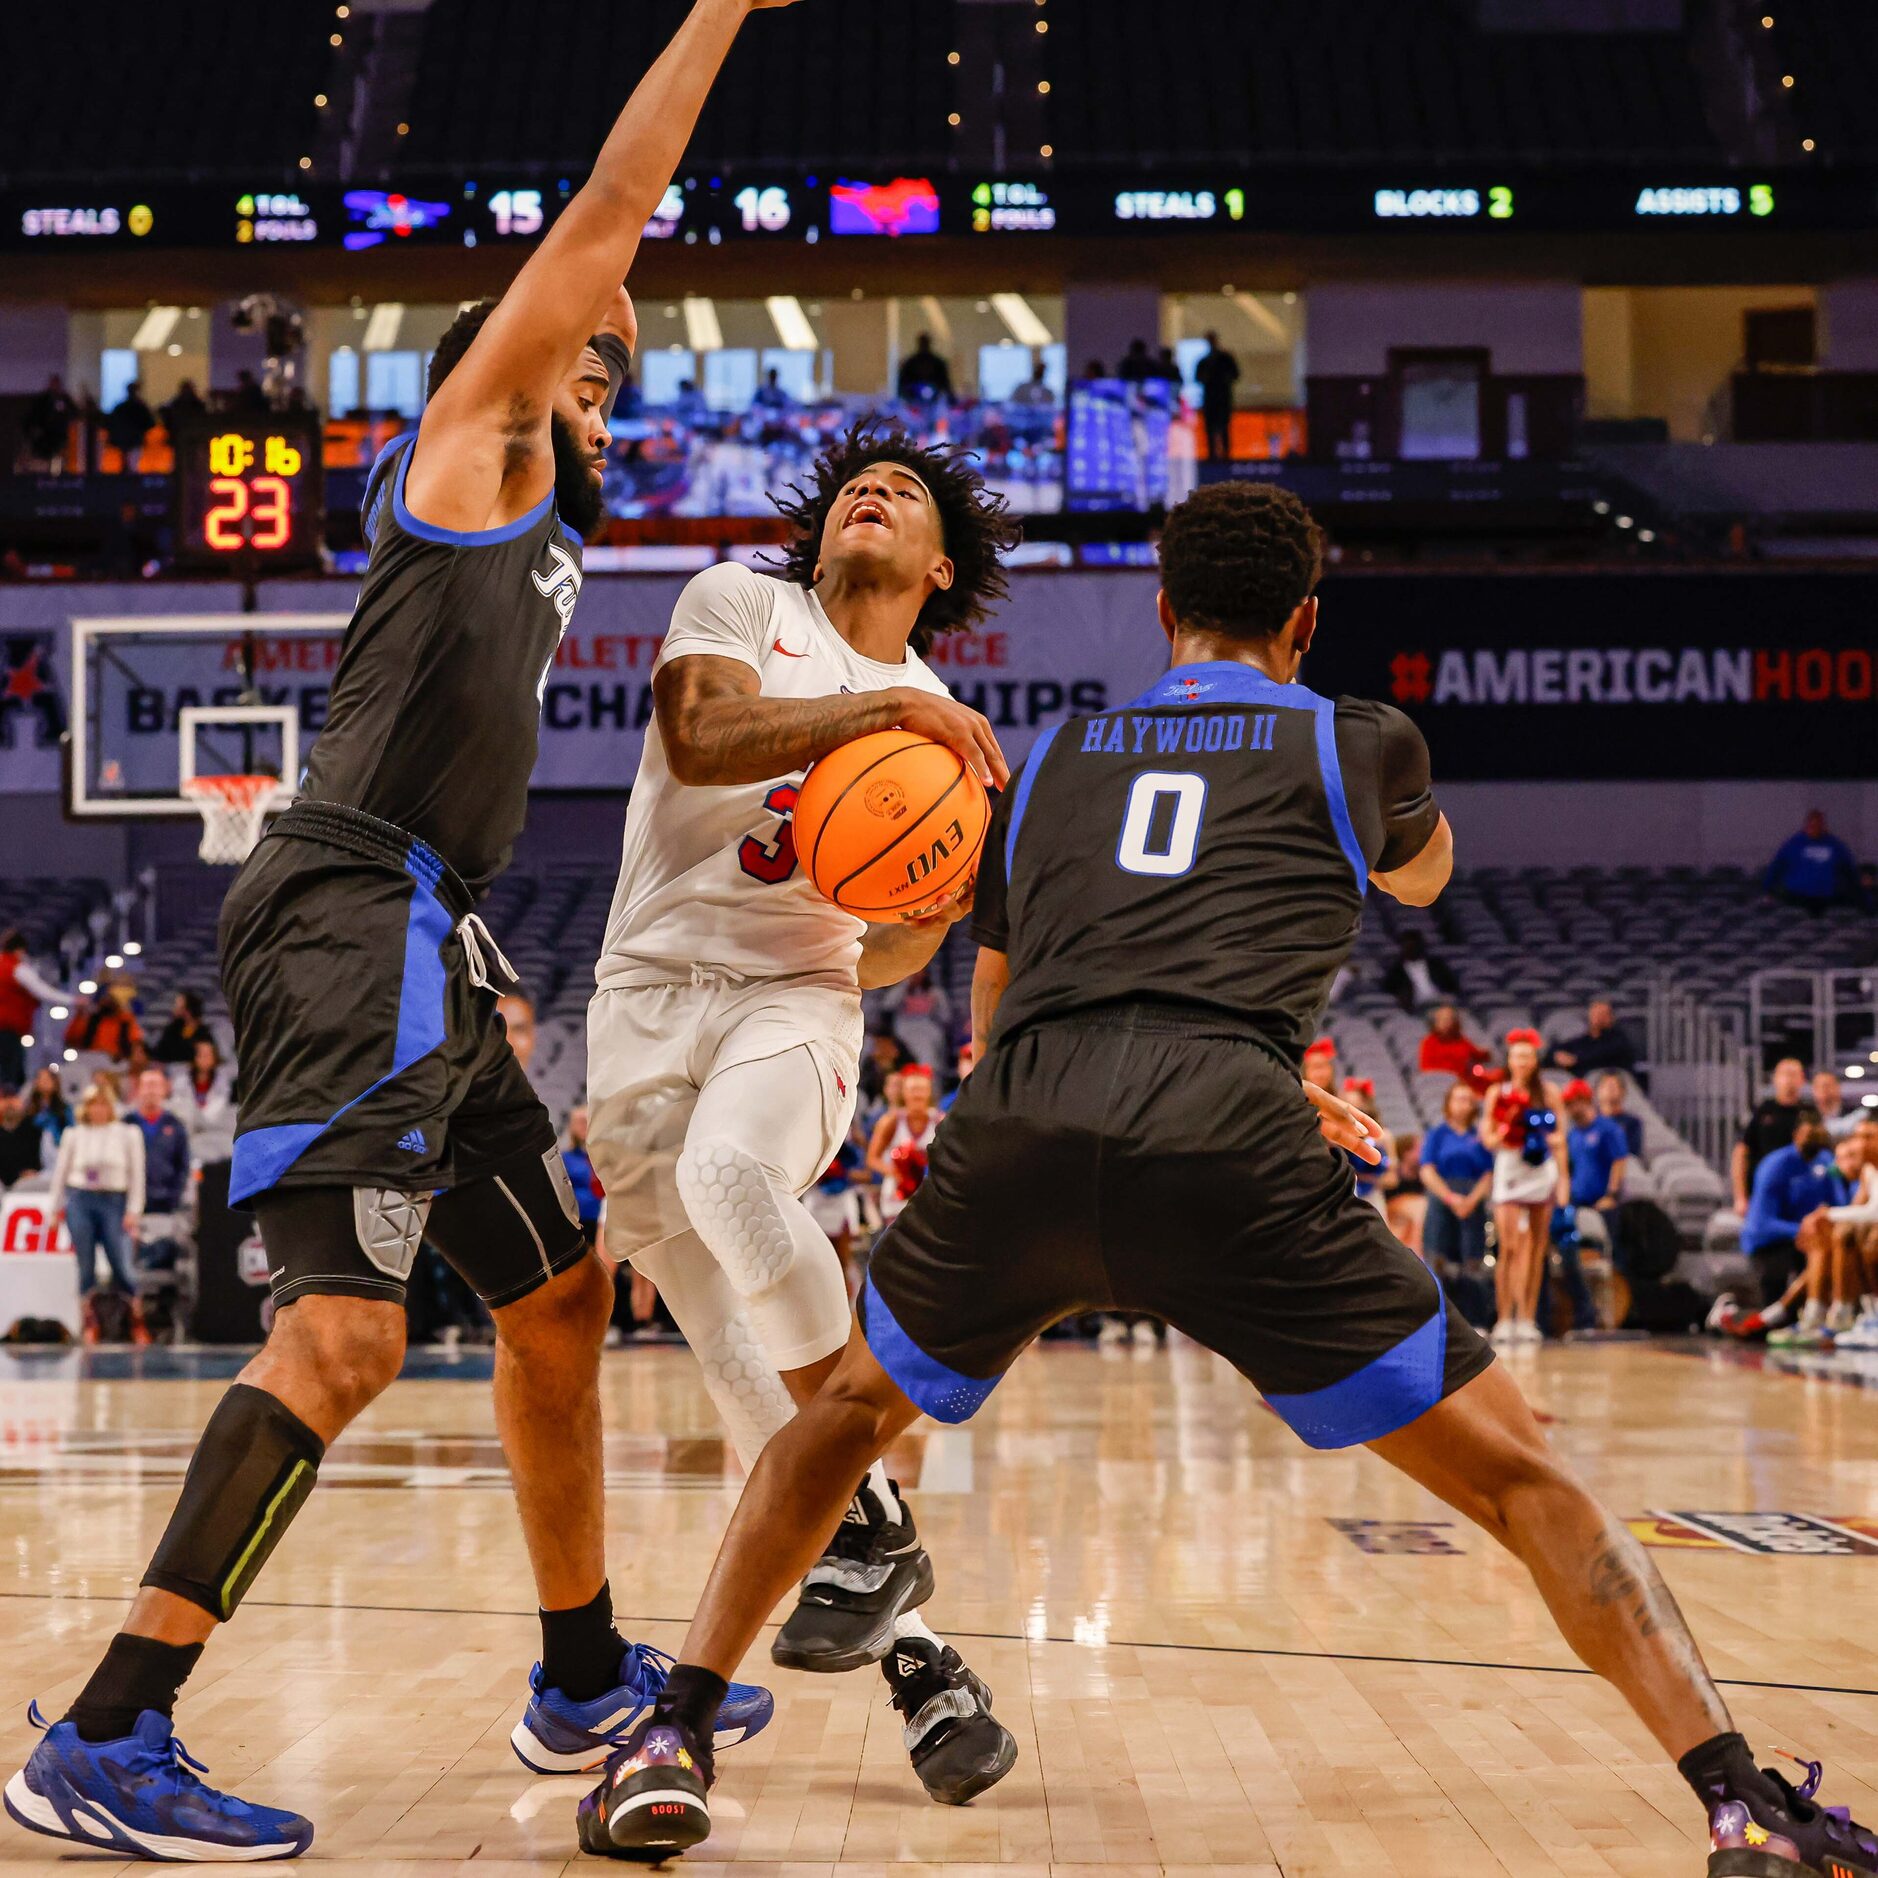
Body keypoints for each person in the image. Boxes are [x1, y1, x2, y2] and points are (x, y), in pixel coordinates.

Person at [579, 475, 1878, 1878]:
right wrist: (1267, 1066)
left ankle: (674, 1733)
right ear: (1304, 620)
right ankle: (1738, 1799)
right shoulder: (1361, 738)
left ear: (1160, 611)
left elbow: (997, 1015)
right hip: (1229, 1142)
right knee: (1526, 1483)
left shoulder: (1056, 753)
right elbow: (1427, 878)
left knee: (833, 1422)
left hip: (1025, 1121)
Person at [9, 4, 795, 1858]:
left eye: (615, 370)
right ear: (508, 362)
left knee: (551, 1298)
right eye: (581, 351)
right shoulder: (473, 442)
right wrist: (718, 21)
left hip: (433, 937)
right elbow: (613, 199)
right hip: (347, 906)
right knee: (348, 1339)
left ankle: (579, 1673)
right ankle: (110, 1730)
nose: (605, 367)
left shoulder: (545, 523)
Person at [583, 416, 1020, 1805]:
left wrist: (908, 911)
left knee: (731, 1178)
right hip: (643, 989)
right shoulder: (738, 601)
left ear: (940, 567)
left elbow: (892, 946)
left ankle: (873, 1516)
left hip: (794, 997)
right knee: (727, 1351)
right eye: (855, 485)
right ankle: (920, 1653)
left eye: (903, 494)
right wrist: (885, 713)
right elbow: (699, 735)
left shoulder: (941, 727)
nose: (872, 493)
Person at [1481, 1028, 1565, 1346]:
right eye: (1517, 1055)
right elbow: (1488, 1138)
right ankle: (1505, 1318)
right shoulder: (1497, 1093)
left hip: (1540, 1170)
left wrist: (1563, 1181)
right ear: (1510, 1059)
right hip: (1510, 1168)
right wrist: (1508, 1127)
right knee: (1510, 1247)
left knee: (1537, 1248)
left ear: (1535, 1059)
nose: (1522, 1061)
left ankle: (1528, 1319)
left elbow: (1560, 1138)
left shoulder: (1549, 1092)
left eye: (1528, 1056)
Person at [49, 1083, 144, 1298]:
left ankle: (133, 1313)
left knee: (121, 1262)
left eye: (103, 1104)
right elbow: (60, 1175)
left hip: (114, 1200)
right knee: (85, 1265)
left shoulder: (128, 1133)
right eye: (93, 1104)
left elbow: (137, 1175)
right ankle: (89, 1319)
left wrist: (134, 1210)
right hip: (80, 1199)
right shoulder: (73, 1134)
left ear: (111, 1107)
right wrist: (54, 1209)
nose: (98, 1109)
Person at [1742, 1114, 1840, 1314]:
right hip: (1772, 1240)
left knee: (1833, 1249)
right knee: (1780, 1273)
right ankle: (1774, 1315)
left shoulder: (1827, 1161)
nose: (1815, 1138)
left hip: (1809, 1236)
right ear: (1796, 1135)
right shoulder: (1775, 1165)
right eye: (1809, 1133)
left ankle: (1822, 1313)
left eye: (1819, 1132)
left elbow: (1839, 1202)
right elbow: (1762, 1222)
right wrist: (1803, 1227)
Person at [1419, 1082, 1493, 1274]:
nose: (1464, 1104)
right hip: (1442, 1198)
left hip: (1472, 1202)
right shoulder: (1437, 1134)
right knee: (1437, 1260)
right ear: (1448, 1103)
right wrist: (1451, 1198)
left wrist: (1470, 1201)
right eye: (1459, 1099)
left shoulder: (1480, 1136)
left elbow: (1488, 1174)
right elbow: (1427, 1171)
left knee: (1471, 1264)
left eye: (1469, 1100)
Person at [1732, 1056, 1810, 1214]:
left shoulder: (1809, 1114)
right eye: (1784, 1074)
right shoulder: (1762, 1112)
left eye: (1793, 1074)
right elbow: (1741, 1153)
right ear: (1775, 1079)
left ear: (1802, 1079)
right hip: (1763, 1192)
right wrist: (1740, 1197)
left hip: (1799, 1195)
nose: (1789, 1080)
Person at [866, 1062, 939, 1225]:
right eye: (913, 1089)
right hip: (896, 1195)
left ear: (929, 1092)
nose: (917, 1095)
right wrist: (898, 1172)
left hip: (928, 1194)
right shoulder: (890, 1121)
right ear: (904, 1092)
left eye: (922, 1089)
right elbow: (872, 1158)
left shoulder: (940, 1121)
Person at [0, 927, 70, 1089]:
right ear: (20, 950)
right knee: (11, 1079)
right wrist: (73, 1000)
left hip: (8, 1030)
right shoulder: (17, 968)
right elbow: (44, 992)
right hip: (7, 1030)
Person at [1764, 809, 1858, 912]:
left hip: (1827, 897)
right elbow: (1777, 866)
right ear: (1806, 825)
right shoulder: (1793, 844)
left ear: (1823, 826)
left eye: (1818, 825)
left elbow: (1849, 869)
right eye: (1812, 825)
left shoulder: (1836, 845)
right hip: (1797, 897)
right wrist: (1768, 890)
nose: (1815, 829)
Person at [174, 1035, 237, 1168]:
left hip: (213, 1128)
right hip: (189, 1130)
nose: (205, 1059)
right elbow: (180, 1107)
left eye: (208, 1055)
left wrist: (201, 1118)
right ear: (195, 1057)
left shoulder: (222, 1081)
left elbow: (217, 1109)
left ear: (215, 1057)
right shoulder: (182, 1080)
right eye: (201, 1055)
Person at [879, 967, 950, 1071]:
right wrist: (905, 984)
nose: (916, 976)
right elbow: (887, 1005)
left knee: (929, 1046)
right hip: (905, 1028)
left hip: (928, 1027)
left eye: (919, 973)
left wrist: (935, 1004)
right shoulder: (901, 990)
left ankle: (929, 1072)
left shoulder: (935, 992)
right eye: (913, 973)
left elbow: (946, 1016)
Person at [1548, 999, 1639, 1078]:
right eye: (1595, 1013)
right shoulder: (1584, 1040)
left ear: (1611, 1018)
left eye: (1602, 1014)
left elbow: (1600, 1055)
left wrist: (1576, 1060)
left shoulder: (1618, 1039)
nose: (1598, 1018)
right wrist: (1556, 1056)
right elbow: (1558, 1049)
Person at [64, 977, 145, 1063]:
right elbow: (71, 1039)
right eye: (105, 997)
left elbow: (136, 1046)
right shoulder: (91, 1019)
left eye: (111, 998)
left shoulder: (126, 1022)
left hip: (117, 1064)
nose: (107, 1000)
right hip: (89, 1062)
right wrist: (80, 1014)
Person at [1381, 929, 1459, 1011]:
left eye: (1414, 945)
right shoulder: (1397, 971)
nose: (1411, 949)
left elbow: (1452, 985)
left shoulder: (1436, 964)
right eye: (1408, 946)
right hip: (1417, 1007)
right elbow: (1388, 990)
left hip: (1441, 1002)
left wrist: (1447, 996)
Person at [1194, 331, 1240, 463]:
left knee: (1223, 427)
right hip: (1211, 398)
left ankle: (1225, 455)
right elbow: (1198, 378)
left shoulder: (1224, 359)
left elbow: (1235, 375)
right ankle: (1213, 455)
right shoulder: (1205, 361)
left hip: (1221, 398)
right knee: (1210, 428)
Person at [561, 1106, 602, 1249]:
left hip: (606, 1217)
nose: (584, 1125)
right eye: (580, 1121)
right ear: (572, 1126)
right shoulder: (566, 1158)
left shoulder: (605, 1155)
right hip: (580, 1220)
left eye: (587, 1120)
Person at [21, 373, 77, 469]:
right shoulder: (42, 400)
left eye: (57, 384)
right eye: (53, 383)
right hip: (44, 438)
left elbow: (74, 414)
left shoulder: (65, 399)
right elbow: (32, 418)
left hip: (61, 437)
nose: (55, 386)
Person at [1418, 1002, 1486, 1078]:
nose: (1446, 1023)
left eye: (1450, 1019)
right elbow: (1426, 1069)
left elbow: (1477, 1055)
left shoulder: (1460, 1040)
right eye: (1442, 1019)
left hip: (1462, 1080)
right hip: (1440, 1081)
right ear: (1435, 1023)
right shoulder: (1429, 1042)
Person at [0, 1085, 44, 1189]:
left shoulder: (35, 1130)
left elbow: (47, 1162)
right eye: (5, 1099)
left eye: (14, 1098)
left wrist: (35, 1172)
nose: (9, 1104)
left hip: (29, 1184)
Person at [151, 990, 210, 1066]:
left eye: (178, 1005)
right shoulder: (172, 1029)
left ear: (188, 1009)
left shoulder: (203, 1033)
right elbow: (159, 1054)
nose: (174, 1008)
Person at [105, 381, 157, 466]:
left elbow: (111, 423)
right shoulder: (140, 407)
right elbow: (150, 423)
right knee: (132, 464)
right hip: (135, 439)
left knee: (126, 463)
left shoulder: (120, 407)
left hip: (124, 440)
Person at [895, 332, 953, 407]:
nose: (924, 345)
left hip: (934, 399)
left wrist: (950, 397)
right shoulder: (910, 362)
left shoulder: (938, 363)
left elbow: (945, 381)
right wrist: (903, 395)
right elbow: (902, 381)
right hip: (913, 399)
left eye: (926, 342)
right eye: (923, 342)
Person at [1595, 1071, 1644, 1159]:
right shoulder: (1588, 1122)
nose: (1609, 1089)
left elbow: (1632, 1151)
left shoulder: (1632, 1122)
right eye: (1605, 1086)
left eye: (1613, 1086)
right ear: (1597, 1091)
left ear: (1623, 1092)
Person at [27, 1064, 71, 1151]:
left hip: (59, 1149)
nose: (44, 1082)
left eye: (47, 1079)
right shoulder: (30, 1109)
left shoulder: (65, 1109)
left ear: (55, 1083)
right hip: (34, 1152)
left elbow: (71, 1131)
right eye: (41, 1078)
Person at [1813, 1068, 1858, 1140]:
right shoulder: (1806, 1115)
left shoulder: (1854, 1114)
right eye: (1818, 1086)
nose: (1823, 1090)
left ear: (1838, 1087)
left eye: (1827, 1085)